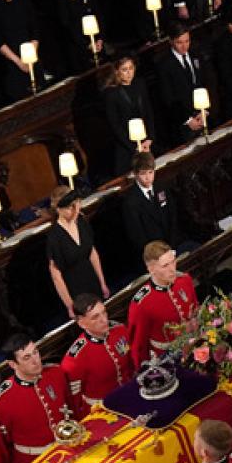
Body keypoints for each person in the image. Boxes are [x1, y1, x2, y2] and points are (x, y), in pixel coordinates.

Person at [0, 333, 82, 457]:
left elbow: (73, 408)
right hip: (33, 461)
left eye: (35, 352)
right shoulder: (0, 401)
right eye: (27, 358)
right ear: (13, 364)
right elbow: (3, 447)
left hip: (69, 449)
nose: (35, 360)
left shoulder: (55, 373)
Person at [45, 187, 109, 318]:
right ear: (58, 209)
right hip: (75, 290)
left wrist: (102, 282)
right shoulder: (54, 237)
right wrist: (70, 305)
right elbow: (56, 277)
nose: (75, 210)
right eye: (70, 207)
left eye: (77, 204)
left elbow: (92, 253)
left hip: (92, 281)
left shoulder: (81, 222)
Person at [129, 241, 199, 359]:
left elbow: (196, 311)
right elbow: (138, 346)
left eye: (173, 262)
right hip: (168, 359)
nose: (172, 269)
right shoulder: (141, 304)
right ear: (151, 269)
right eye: (165, 265)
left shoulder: (184, 280)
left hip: (197, 344)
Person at [61, 295, 134, 407]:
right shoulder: (74, 359)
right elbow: (75, 401)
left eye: (104, 312)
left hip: (131, 393)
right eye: (95, 317)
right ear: (82, 323)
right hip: (103, 409)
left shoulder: (119, 330)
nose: (104, 320)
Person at [118, 156, 177, 272]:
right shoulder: (130, 202)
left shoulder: (161, 187)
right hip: (152, 255)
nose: (148, 177)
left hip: (171, 244)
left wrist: (172, 246)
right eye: (143, 174)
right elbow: (136, 236)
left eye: (151, 172)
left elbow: (172, 216)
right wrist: (158, 255)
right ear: (135, 174)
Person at [100, 55, 155, 180]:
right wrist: (135, 146)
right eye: (125, 69)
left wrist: (150, 138)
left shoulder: (140, 84)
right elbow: (115, 125)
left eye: (131, 68)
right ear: (117, 71)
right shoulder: (111, 93)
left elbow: (148, 112)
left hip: (146, 143)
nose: (129, 73)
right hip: (126, 147)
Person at [153, 25, 206, 150]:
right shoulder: (164, 65)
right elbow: (168, 97)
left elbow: (201, 83)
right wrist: (187, 120)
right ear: (171, 41)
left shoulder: (195, 54)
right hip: (181, 123)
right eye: (179, 42)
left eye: (187, 41)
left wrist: (203, 110)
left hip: (200, 115)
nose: (184, 46)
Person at [54, 0, 102, 75]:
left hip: (95, 42)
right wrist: (86, 44)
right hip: (77, 48)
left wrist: (100, 38)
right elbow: (67, 24)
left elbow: (98, 15)